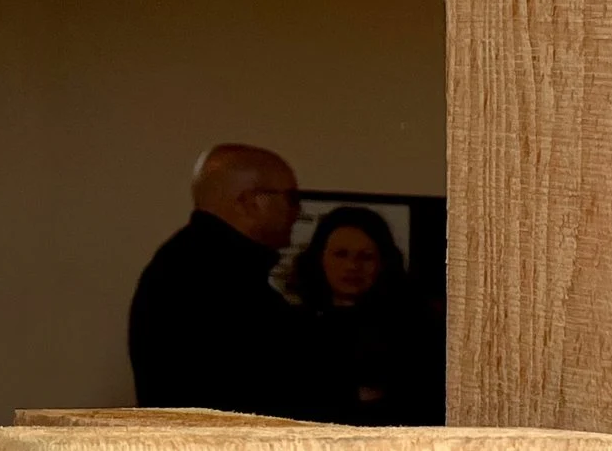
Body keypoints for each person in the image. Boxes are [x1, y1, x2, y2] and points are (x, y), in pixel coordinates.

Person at [127, 144, 308, 415]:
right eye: (292, 198)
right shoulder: (206, 275)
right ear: (250, 201)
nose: (298, 211)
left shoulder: (191, 262)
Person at [286, 205, 432, 424]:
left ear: (383, 263)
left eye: (366, 257)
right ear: (319, 258)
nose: (352, 266)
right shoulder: (294, 326)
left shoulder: (413, 330)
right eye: (341, 254)